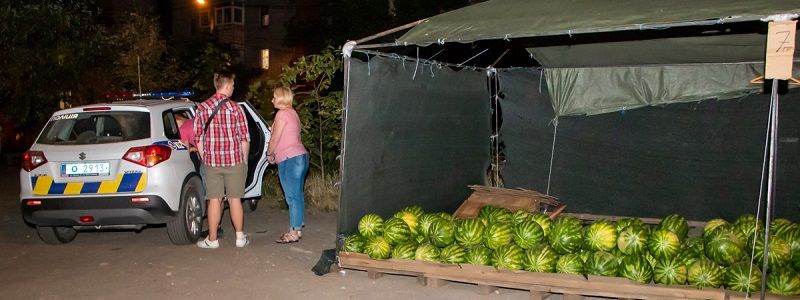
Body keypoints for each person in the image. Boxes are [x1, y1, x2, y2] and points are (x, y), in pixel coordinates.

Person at [193, 71, 251, 249]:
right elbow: (244, 138)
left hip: (212, 162)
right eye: (233, 85)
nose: (234, 88)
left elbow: (198, 137)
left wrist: (205, 157)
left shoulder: (202, 107)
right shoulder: (235, 108)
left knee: (214, 200)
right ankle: (240, 238)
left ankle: (212, 239)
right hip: (234, 161)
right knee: (235, 199)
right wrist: (245, 161)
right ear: (226, 85)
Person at [267, 86, 309, 244]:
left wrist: (269, 153)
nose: (272, 100)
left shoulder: (282, 114)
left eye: (274, 97)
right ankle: (297, 229)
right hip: (300, 157)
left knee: (291, 197)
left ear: (281, 98)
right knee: (297, 195)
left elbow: (275, 138)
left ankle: (293, 231)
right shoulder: (293, 113)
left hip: (290, 159)